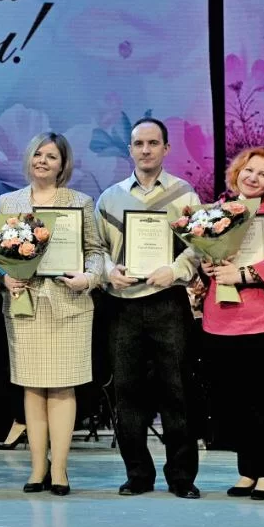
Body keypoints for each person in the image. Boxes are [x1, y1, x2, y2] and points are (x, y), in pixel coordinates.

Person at [95, 117, 203, 498]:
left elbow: (199, 246)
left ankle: (182, 478)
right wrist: (109, 271)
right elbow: (96, 249)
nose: (146, 150)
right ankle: (138, 475)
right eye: (139, 143)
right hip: (122, 305)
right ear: (130, 150)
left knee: (178, 391)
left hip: (168, 301)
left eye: (153, 143)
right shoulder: (109, 198)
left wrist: (174, 270)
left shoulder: (185, 194)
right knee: (127, 393)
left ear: (166, 149)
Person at [0, 133, 105, 496]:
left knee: (62, 386)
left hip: (68, 304)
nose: (43, 161)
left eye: (52, 156)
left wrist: (88, 278)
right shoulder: (9, 202)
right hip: (25, 304)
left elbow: (95, 251)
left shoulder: (80, 202)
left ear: (63, 165)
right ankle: (37, 468)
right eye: (38, 154)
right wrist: (4, 276)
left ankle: (59, 469)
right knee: (31, 387)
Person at [196, 147, 264, 499]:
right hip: (223, 319)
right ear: (238, 172)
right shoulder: (218, 211)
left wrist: (241, 274)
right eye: (249, 170)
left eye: (263, 174)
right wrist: (207, 266)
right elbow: (206, 257)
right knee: (236, 400)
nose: (253, 178)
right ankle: (247, 471)